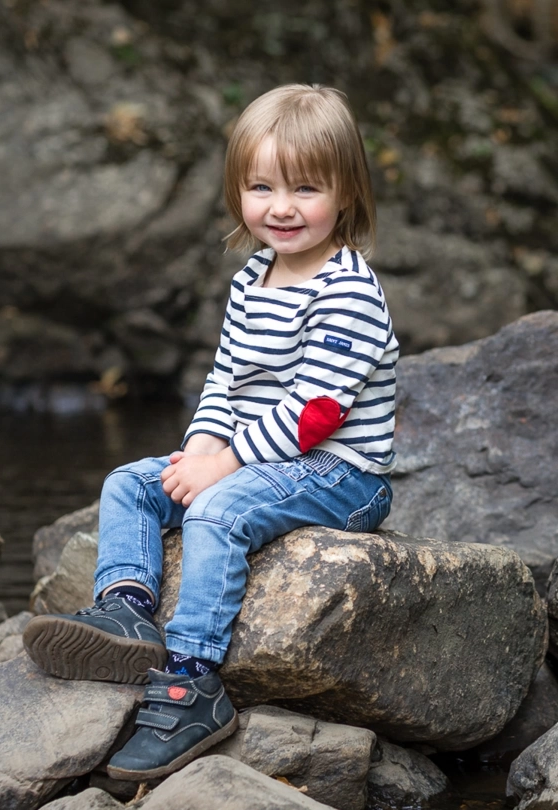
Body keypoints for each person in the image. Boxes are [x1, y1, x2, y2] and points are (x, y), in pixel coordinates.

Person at [23, 83, 399, 782]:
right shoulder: (254, 278)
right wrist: (200, 446)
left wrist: (223, 465)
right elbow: (224, 383)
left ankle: (193, 679)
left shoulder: (348, 291)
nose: (280, 207)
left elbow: (319, 415)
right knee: (133, 483)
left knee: (218, 511)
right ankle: (128, 608)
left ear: (346, 192)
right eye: (261, 186)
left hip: (340, 473)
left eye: (305, 188)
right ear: (237, 191)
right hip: (261, 456)